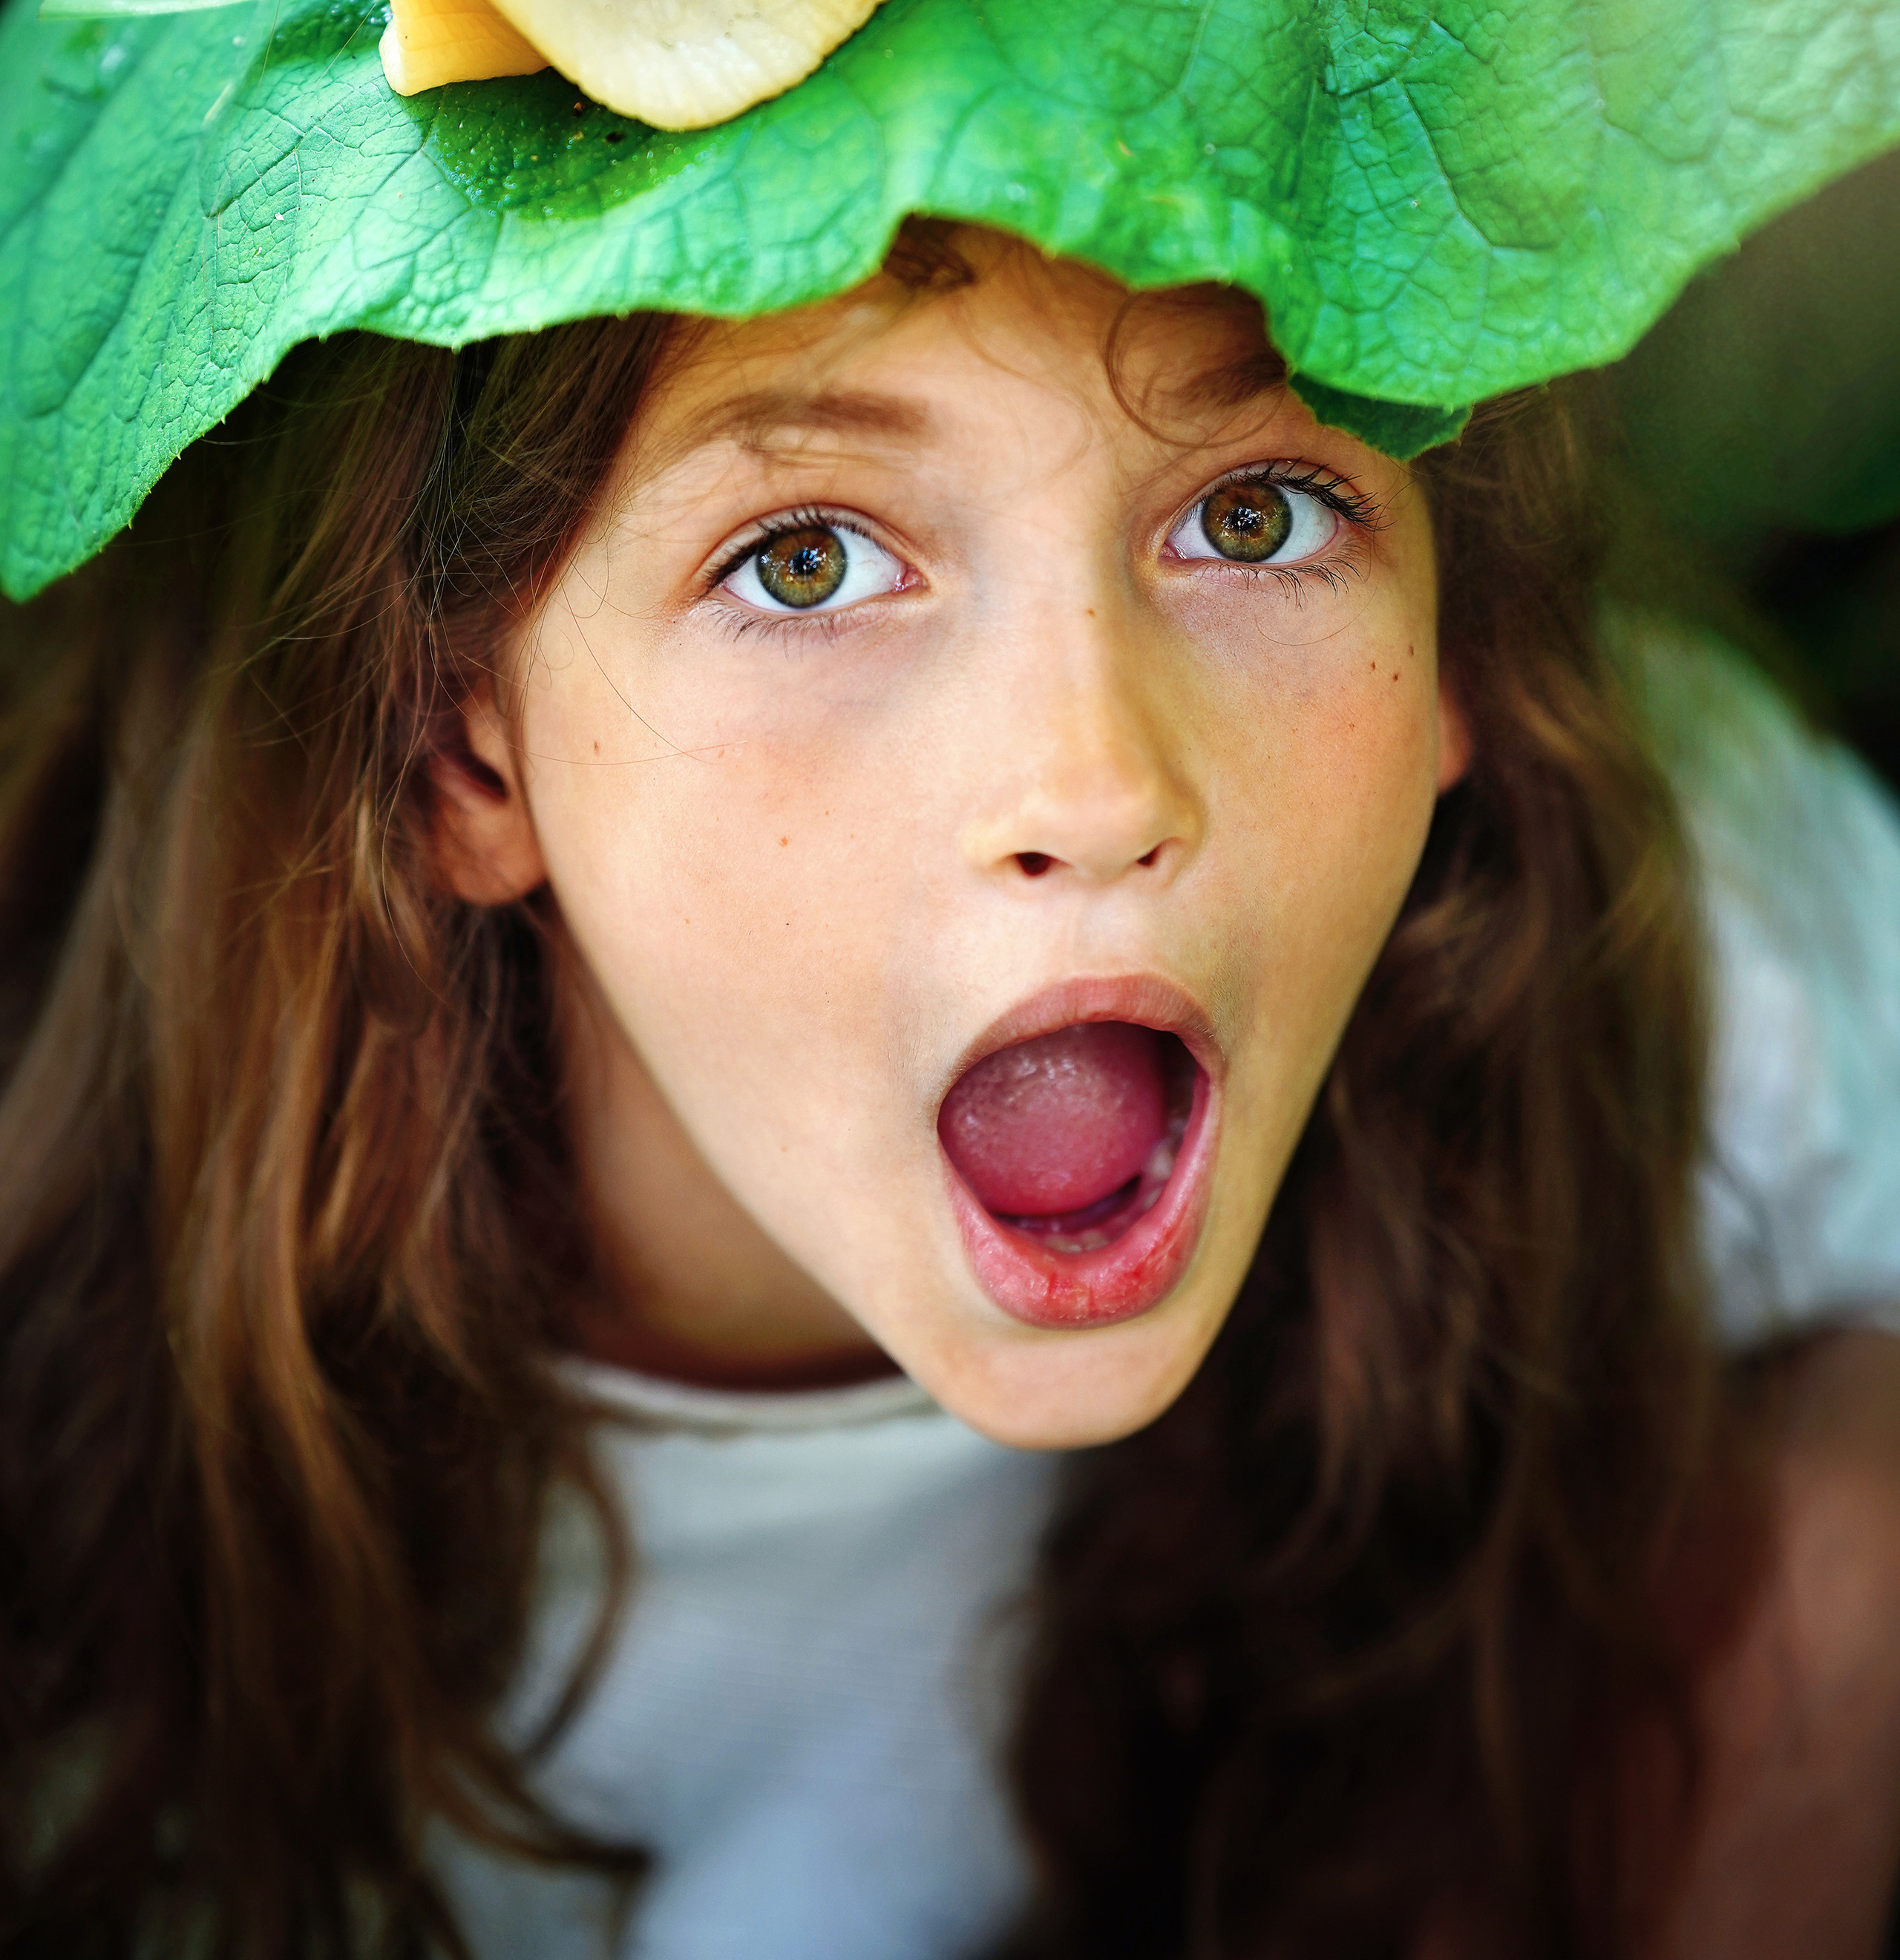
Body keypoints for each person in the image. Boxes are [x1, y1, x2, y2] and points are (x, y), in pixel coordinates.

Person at [4, 223, 1899, 1959]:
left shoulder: (1673, 934)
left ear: (1448, 667)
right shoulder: (73, 1291)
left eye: (1253, 519)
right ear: (463, 754)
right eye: (806, 560)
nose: (1088, 783)